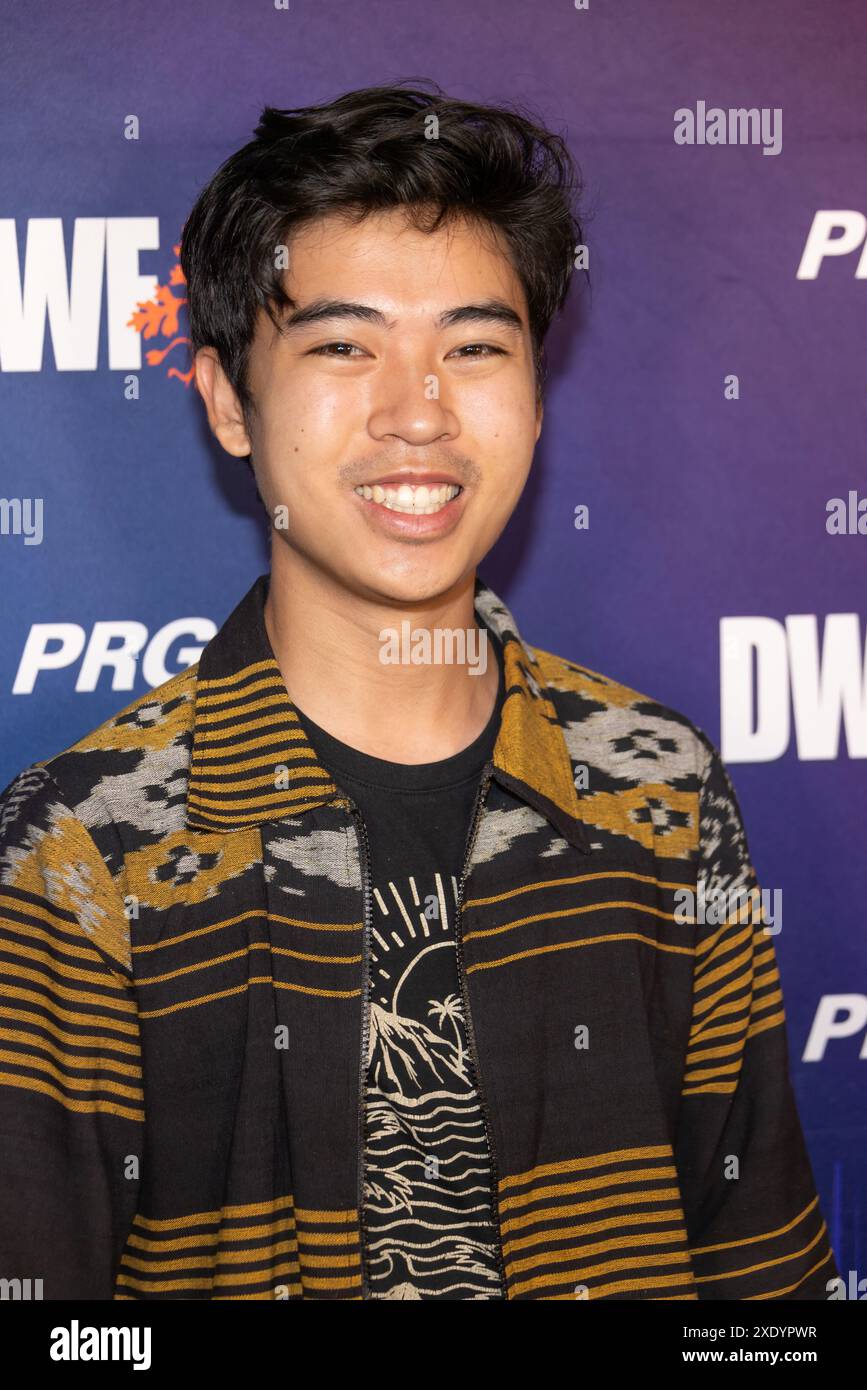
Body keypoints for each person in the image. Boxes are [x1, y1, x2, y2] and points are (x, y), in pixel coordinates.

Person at [0, 82, 838, 1300]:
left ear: (539, 398)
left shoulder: (659, 786)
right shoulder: (82, 850)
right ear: (229, 399)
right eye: (344, 345)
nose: (420, 413)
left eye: (475, 347)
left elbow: (760, 1277)